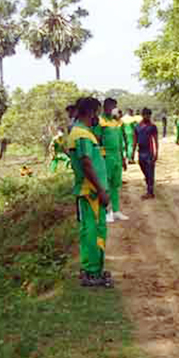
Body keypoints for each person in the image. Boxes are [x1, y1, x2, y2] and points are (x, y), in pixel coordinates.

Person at [68, 97, 114, 287]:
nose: (98, 116)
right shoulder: (81, 134)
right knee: (93, 232)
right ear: (90, 112)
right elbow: (86, 163)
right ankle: (93, 274)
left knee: (89, 230)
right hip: (91, 193)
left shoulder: (82, 132)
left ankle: (90, 270)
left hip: (90, 192)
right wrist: (101, 190)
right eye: (96, 112)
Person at [100, 98, 129, 223]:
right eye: (112, 106)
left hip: (117, 155)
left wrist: (123, 158)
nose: (114, 109)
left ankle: (116, 211)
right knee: (105, 185)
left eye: (115, 106)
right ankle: (107, 212)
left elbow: (120, 140)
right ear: (105, 107)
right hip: (106, 156)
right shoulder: (100, 121)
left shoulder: (117, 122)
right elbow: (97, 139)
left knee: (115, 185)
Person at [133, 108, 159, 200]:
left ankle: (150, 192)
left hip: (150, 152)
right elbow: (134, 140)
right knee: (144, 170)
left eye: (148, 115)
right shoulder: (137, 126)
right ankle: (149, 183)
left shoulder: (153, 126)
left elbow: (155, 140)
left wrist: (156, 153)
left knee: (150, 172)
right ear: (142, 115)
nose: (146, 116)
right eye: (145, 115)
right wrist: (132, 153)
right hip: (141, 152)